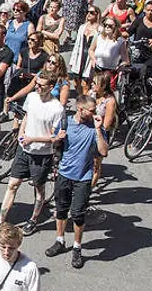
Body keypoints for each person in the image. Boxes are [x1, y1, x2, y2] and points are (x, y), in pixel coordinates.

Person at [45, 94, 108, 269]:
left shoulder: (96, 127)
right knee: (61, 209)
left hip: (83, 177)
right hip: (64, 174)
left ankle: (77, 247)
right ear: (80, 109)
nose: (95, 113)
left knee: (78, 214)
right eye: (91, 110)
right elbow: (54, 142)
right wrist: (57, 139)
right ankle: (60, 240)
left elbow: (104, 152)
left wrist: (98, 130)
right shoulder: (66, 123)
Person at [0, 71, 63, 233]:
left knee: (39, 189)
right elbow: (27, 117)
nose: (37, 87)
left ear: (51, 87)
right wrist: (21, 134)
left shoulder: (57, 109)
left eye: (41, 85)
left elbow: (55, 138)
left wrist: (32, 139)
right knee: (12, 184)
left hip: (42, 155)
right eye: (36, 84)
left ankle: (33, 219)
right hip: (24, 150)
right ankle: (0, 220)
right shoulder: (32, 97)